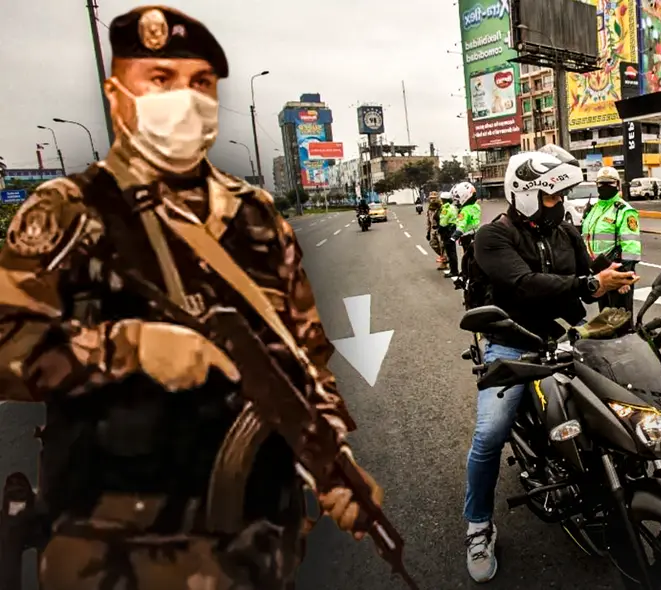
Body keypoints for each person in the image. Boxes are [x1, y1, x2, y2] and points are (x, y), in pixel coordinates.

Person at [0, 6, 382, 588]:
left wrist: (331, 459)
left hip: (254, 537)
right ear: (117, 95)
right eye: (160, 80)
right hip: (112, 545)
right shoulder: (64, 212)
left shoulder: (255, 216)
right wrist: (124, 349)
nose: (184, 99)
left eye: (200, 83)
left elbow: (305, 356)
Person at [463, 145, 638, 582]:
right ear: (524, 193)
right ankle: (479, 525)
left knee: (616, 403)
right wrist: (588, 282)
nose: (559, 204)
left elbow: (587, 273)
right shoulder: (493, 236)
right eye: (550, 196)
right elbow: (522, 285)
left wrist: (614, 271)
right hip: (512, 343)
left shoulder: (564, 230)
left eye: (561, 196)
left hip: (565, 336)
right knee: (490, 434)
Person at [581, 166, 642, 320]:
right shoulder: (593, 209)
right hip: (598, 272)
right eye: (601, 183)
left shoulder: (624, 210)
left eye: (610, 183)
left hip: (616, 272)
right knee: (604, 317)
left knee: (620, 319)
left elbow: (631, 247)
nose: (605, 187)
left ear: (618, 185)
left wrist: (624, 278)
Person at [450, 181, 480, 287]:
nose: (456, 201)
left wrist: (455, 235)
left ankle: (464, 278)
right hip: (476, 234)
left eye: (457, 198)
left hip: (466, 236)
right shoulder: (476, 207)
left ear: (464, 197)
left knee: (466, 258)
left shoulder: (464, 211)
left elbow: (462, 224)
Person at [438, 191, 459, 278]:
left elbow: (443, 222)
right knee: (452, 251)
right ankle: (454, 270)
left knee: (450, 252)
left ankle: (454, 271)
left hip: (447, 231)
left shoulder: (445, 209)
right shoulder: (453, 207)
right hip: (453, 229)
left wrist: (440, 229)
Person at [425, 192, 447, 270]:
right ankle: (445, 257)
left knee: (442, 246)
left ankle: (444, 263)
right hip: (433, 230)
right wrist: (428, 232)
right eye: (431, 198)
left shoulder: (441, 207)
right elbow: (428, 220)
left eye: (434, 198)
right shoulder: (430, 208)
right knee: (433, 244)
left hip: (440, 229)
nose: (432, 199)